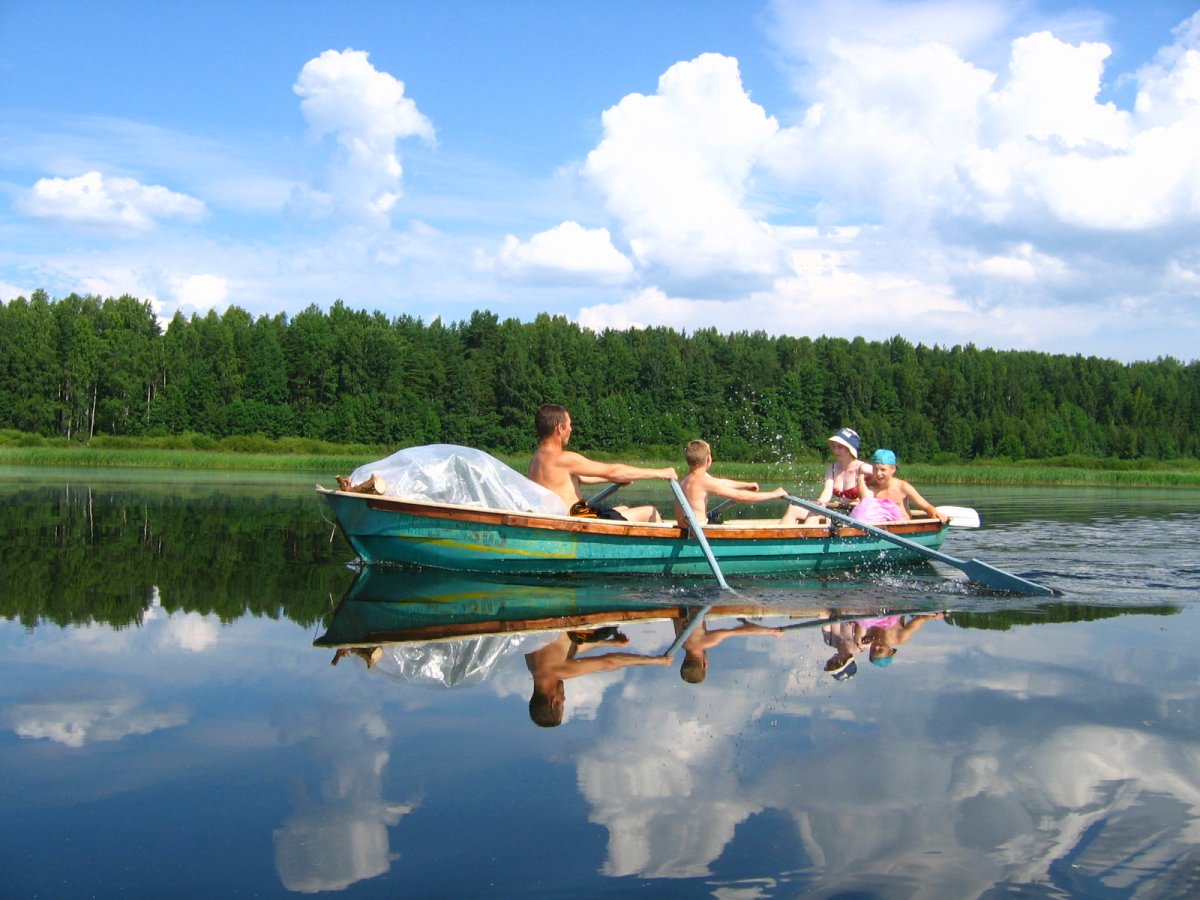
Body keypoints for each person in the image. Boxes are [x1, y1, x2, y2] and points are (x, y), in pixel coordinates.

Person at [528, 404, 678, 522]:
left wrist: (611, 479)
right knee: (650, 512)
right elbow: (614, 471)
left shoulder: (537, 459)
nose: (571, 429)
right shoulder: (564, 458)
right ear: (560, 428)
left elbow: (578, 478)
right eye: (569, 425)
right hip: (578, 519)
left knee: (624, 508)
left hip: (573, 515)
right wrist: (660, 472)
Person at [524, 630, 671, 727]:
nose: (564, 698)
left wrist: (655, 661)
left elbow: (609, 662)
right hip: (557, 626)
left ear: (552, 702)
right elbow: (566, 644)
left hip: (565, 617)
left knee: (608, 630)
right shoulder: (532, 664)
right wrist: (609, 643)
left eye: (562, 703)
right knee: (604, 634)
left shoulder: (557, 671)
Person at [675, 439, 788, 524]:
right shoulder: (703, 482)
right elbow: (740, 496)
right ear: (708, 459)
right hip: (697, 534)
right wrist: (774, 494)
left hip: (689, 529)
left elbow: (721, 482)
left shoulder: (688, 479)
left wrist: (746, 485)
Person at [780, 427, 872, 525]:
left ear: (850, 449)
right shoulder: (832, 468)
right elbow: (826, 493)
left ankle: (807, 538)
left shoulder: (864, 468)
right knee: (793, 508)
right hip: (838, 511)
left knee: (814, 515)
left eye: (840, 447)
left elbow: (884, 479)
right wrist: (821, 503)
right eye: (834, 446)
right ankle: (780, 538)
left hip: (856, 516)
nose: (836, 451)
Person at [672, 613, 785, 684]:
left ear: (705, 664)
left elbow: (741, 630)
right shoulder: (681, 642)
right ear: (684, 660)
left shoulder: (704, 642)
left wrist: (771, 631)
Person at [851, 449, 949, 524]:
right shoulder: (869, 487)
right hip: (879, 530)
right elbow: (865, 502)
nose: (878, 474)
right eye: (875, 469)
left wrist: (936, 514)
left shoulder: (903, 487)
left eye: (883, 470)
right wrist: (860, 476)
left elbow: (926, 506)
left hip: (903, 529)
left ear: (893, 469)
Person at [856, 612, 945, 667]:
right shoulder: (900, 638)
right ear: (890, 650)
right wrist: (934, 616)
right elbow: (920, 619)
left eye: (872, 650)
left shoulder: (870, 637)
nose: (876, 647)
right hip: (894, 605)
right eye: (880, 650)